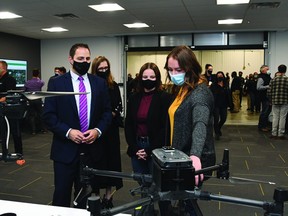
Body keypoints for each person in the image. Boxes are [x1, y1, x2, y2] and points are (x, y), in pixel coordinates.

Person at [42, 43, 112, 208]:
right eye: (80, 58)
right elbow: (48, 116)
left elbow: (107, 113)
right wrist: (68, 132)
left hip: (91, 150)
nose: (85, 62)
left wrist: (97, 130)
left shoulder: (99, 84)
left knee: (85, 198)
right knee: (61, 196)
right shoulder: (57, 83)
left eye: (88, 58)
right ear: (70, 59)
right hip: (64, 151)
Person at [164, 46, 215, 215]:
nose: (173, 74)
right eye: (170, 69)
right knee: (184, 202)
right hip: (179, 155)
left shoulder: (200, 93)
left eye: (178, 69)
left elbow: (200, 124)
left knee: (188, 204)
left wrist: (195, 155)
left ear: (190, 67)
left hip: (192, 158)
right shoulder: (183, 88)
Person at [124, 62, 171, 215]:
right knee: (142, 183)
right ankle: (146, 211)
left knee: (160, 185)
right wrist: (135, 148)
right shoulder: (134, 97)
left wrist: (150, 150)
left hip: (155, 148)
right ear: (140, 77)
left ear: (157, 78)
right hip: (137, 146)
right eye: (145, 76)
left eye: (152, 76)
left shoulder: (165, 98)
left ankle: (165, 212)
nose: (148, 79)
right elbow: (129, 124)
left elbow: (165, 128)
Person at [91, 56, 123, 209]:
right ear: (95, 69)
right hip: (96, 130)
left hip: (111, 131)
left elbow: (118, 104)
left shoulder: (113, 85)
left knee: (111, 161)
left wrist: (110, 115)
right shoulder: (91, 85)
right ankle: (95, 193)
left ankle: (109, 195)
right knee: (97, 161)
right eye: (100, 69)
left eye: (106, 68)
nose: (104, 71)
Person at [0, 60, 23, 155]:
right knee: (2, 132)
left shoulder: (10, 79)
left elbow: (9, 95)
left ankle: (19, 152)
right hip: (1, 110)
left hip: (10, 110)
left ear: (3, 68)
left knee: (14, 131)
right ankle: (4, 152)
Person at [267, 64, 288, 139]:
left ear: (278, 70)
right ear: (285, 70)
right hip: (285, 101)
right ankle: (281, 134)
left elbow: (269, 91)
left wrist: (270, 100)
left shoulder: (273, 79)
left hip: (275, 101)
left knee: (275, 117)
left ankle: (273, 133)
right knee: (283, 118)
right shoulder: (287, 79)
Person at [24, 69, 45, 134]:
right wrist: (38, 78)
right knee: (40, 114)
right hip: (38, 99)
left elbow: (24, 90)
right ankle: (42, 129)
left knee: (32, 115)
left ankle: (33, 131)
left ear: (32, 74)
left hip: (31, 100)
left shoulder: (28, 82)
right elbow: (42, 83)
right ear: (38, 74)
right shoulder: (40, 82)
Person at [210, 71, 229, 140]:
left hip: (224, 104)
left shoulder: (225, 84)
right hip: (216, 105)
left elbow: (228, 94)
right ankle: (217, 133)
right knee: (216, 119)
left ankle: (218, 128)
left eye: (221, 76)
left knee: (223, 119)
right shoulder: (214, 85)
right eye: (218, 76)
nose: (220, 77)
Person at [257, 65, 271, 132]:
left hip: (268, 97)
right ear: (263, 70)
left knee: (267, 112)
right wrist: (268, 86)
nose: (268, 70)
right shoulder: (261, 78)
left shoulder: (268, 77)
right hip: (264, 97)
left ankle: (265, 125)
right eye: (267, 69)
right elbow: (258, 87)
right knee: (264, 112)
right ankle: (261, 126)